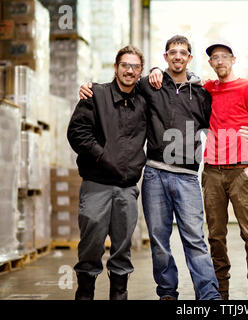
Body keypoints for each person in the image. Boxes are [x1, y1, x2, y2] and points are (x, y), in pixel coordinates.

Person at [79, 35, 221, 300]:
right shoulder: (150, 86)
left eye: (183, 52)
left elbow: (217, 124)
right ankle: (167, 293)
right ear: (165, 56)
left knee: (195, 240)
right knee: (159, 241)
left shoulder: (201, 94)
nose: (177, 56)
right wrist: (88, 87)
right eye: (172, 52)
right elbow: (122, 86)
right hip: (155, 173)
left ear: (189, 58)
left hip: (188, 176)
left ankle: (209, 296)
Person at [148, 41, 248, 300]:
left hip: (241, 170)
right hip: (211, 170)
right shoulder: (206, 89)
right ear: (209, 63)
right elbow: (183, 82)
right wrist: (155, 68)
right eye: (215, 58)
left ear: (233, 60)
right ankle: (219, 293)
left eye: (224, 56)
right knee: (215, 236)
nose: (220, 61)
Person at [67, 45, 147, 300]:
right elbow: (77, 132)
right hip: (96, 184)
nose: (129, 71)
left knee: (123, 248)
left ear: (140, 71)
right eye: (125, 65)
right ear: (116, 67)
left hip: (126, 187)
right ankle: (85, 294)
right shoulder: (95, 95)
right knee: (91, 246)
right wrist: (102, 156)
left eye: (135, 67)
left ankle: (119, 295)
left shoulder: (144, 101)